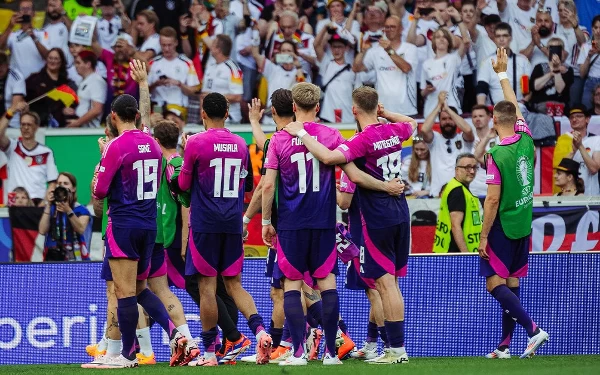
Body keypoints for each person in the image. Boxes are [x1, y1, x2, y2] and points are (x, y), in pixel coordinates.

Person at [282, 84, 417, 365]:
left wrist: (303, 132)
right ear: (376, 106)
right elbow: (412, 123)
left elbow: (330, 158)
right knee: (390, 284)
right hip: (400, 212)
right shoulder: (393, 131)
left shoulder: (362, 140)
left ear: (354, 110)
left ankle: (396, 350)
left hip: (376, 216)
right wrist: (387, 113)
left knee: (385, 284)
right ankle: (394, 348)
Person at [92, 93, 189, 368]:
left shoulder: (115, 146)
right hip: (149, 225)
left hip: (123, 224)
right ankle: (175, 334)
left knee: (123, 292)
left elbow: (100, 191)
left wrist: (102, 162)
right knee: (140, 288)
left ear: (113, 116)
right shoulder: (153, 144)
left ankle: (126, 355)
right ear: (136, 115)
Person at [178, 92, 273, 366]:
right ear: (228, 113)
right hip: (232, 222)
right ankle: (260, 332)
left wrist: (186, 156)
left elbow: (183, 185)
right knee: (234, 285)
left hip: (206, 224)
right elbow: (245, 186)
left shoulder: (195, 142)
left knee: (207, 288)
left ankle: (209, 354)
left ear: (203, 114)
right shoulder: (241, 145)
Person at [479, 47, 549, 360]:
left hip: (502, 225)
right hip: (523, 223)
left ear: (494, 121)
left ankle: (533, 331)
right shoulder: (526, 138)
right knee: (511, 283)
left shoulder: (496, 154)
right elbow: (516, 107)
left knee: (495, 285)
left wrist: (482, 235)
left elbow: (491, 199)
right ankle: (505, 345)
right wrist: (502, 73)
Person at [337, 172, 390, 360]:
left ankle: (389, 346)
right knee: (375, 289)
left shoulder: (350, 170)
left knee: (374, 291)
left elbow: (344, 203)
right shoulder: (375, 166)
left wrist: (332, 189)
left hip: (363, 235)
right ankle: (371, 344)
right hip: (379, 229)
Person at [354, 15, 418, 117]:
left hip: (406, 110)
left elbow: (406, 68)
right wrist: (363, 51)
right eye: (387, 27)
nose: (389, 30)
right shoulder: (375, 51)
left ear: (401, 29)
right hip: (382, 111)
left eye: (393, 27)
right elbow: (356, 68)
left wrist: (389, 50)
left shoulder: (410, 48)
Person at [0, 103, 58, 206]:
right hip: (15, 202)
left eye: (29, 124)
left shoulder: (46, 152)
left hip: (37, 203)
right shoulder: (12, 147)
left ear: (36, 127)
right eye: (23, 124)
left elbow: (53, 183)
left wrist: (44, 203)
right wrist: (11, 111)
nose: (25, 127)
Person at [421, 91, 475, 198]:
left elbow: (468, 130)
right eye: (444, 119)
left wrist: (448, 109)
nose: (447, 122)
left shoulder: (463, 139)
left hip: (461, 193)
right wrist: (439, 107)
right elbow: (424, 129)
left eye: (450, 118)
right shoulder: (435, 139)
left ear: (455, 120)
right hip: (437, 194)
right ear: (439, 122)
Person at [433, 153, 482, 253]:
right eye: (467, 168)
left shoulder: (455, 187)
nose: (472, 171)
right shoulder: (457, 191)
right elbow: (455, 225)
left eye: (474, 167)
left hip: (451, 252)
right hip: (456, 253)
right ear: (457, 170)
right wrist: (466, 254)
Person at [38, 172, 92, 261]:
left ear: (73, 188)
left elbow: (81, 229)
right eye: (59, 183)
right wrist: (48, 205)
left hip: (75, 256)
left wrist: (68, 210)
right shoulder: (51, 208)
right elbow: (42, 230)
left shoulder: (81, 210)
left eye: (65, 183)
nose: (62, 186)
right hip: (54, 255)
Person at [148, 27, 201, 116]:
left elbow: (194, 91)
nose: (166, 48)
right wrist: (156, 84)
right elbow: (144, 90)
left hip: (178, 109)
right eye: (163, 45)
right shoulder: (153, 63)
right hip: (157, 109)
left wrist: (178, 84)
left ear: (176, 42)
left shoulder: (187, 63)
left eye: (169, 45)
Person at [476, 22, 532, 106]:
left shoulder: (522, 61)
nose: (501, 39)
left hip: (518, 109)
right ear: (494, 39)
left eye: (505, 36)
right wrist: (482, 108)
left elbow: (528, 88)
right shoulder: (487, 62)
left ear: (511, 38)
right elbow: (481, 88)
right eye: (498, 36)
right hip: (494, 110)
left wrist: (523, 102)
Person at [420, 27, 468, 117]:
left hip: (451, 106)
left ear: (449, 41)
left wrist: (459, 20)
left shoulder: (453, 59)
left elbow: (466, 41)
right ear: (433, 41)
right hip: (431, 109)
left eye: (444, 37)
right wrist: (427, 90)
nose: (441, 39)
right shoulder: (426, 64)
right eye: (438, 37)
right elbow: (422, 92)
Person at [26, 48, 75, 128]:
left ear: (61, 62)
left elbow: (70, 103)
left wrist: (67, 109)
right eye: (50, 58)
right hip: (37, 124)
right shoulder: (34, 79)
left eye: (56, 59)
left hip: (59, 126)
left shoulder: (66, 83)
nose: (52, 61)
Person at [0, 0, 49, 79]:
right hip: (17, 83)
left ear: (33, 13)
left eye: (28, 9)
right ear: (18, 13)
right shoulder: (12, 35)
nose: (25, 11)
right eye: (22, 9)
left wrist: (34, 38)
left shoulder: (43, 34)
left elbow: (48, 56)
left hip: (37, 82)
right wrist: (10, 26)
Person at [201, 35, 244, 124]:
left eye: (213, 45)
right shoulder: (210, 68)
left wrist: (213, 96)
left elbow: (237, 96)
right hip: (211, 119)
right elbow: (203, 95)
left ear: (218, 49)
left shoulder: (233, 69)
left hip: (230, 119)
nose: (210, 47)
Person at [529, 37, 574, 113]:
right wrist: (551, 73)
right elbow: (535, 87)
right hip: (540, 105)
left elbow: (560, 90)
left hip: (560, 106)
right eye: (552, 49)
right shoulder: (539, 67)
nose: (555, 52)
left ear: (563, 51)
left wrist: (556, 70)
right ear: (548, 51)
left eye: (558, 48)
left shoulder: (568, 69)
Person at [565, 105, 600, 197]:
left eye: (579, 116)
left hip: (591, 197)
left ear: (587, 119)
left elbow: (594, 169)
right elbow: (562, 172)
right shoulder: (564, 140)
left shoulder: (596, 139)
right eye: (571, 117)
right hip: (571, 197)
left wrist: (580, 146)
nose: (574, 119)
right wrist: (573, 152)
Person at [66, 51, 107, 128]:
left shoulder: (96, 81)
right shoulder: (83, 81)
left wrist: (78, 122)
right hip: (82, 127)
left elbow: (97, 109)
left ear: (88, 64)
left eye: (78, 63)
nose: (75, 66)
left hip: (91, 129)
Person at [472, 104, 498, 197]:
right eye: (474, 116)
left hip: (494, 190)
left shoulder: (498, 139)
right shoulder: (470, 139)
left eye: (481, 116)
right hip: (474, 190)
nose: (477, 119)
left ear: (489, 117)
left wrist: (481, 152)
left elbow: (494, 163)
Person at [579, 15, 600, 110]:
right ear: (592, 29)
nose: (598, 31)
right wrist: (589, 57)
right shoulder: (586, 46)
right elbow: (582, 74)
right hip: (591, 81)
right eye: (596, 27)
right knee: (586, 111)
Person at [0, 52, 26, 128]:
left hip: (11, 123)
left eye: (2, 64)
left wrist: (2, 123)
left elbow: (15, 106)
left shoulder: (16, 78)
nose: (0, 67)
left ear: (8, 65)